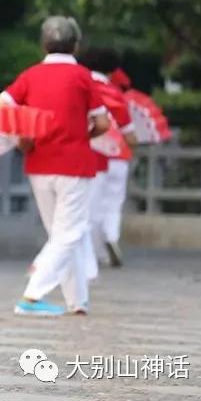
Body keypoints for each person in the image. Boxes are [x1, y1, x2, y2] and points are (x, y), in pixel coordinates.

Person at [0, 16, 109, 317]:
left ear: (43, 43)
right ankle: (31, 297)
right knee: (68, 234)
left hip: (39, 162)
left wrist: (20, 136)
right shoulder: (84, 77)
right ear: (76, 44)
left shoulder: (30, 75)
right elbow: (103, 122)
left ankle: (77, 300)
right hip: (73, 163)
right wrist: (85, 133)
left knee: (61, 234)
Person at [79, 48, 136, 268]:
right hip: (117, 156)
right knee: (113, 203)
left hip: (88, 154)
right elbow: (129, 135)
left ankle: (93, 253)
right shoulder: (114, 93)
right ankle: (111, 237)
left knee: (89, 207)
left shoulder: (82, 87)